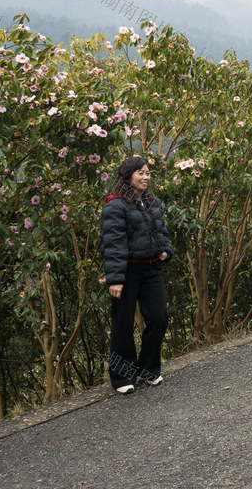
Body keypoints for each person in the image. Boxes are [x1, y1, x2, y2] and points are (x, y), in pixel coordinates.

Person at [101, 157, 172, 394]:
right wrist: (115, 279)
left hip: (152, 269)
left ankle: (148, 369)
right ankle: (122, 376)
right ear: (127, 176)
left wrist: (166, 250)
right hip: (127, 272)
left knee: (159, 318)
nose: (145, 177)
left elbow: (161, 232)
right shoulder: (115, 205)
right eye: (140, 173)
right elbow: (113, 243)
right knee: (122, 324)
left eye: (148, 173)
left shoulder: (152, 202)